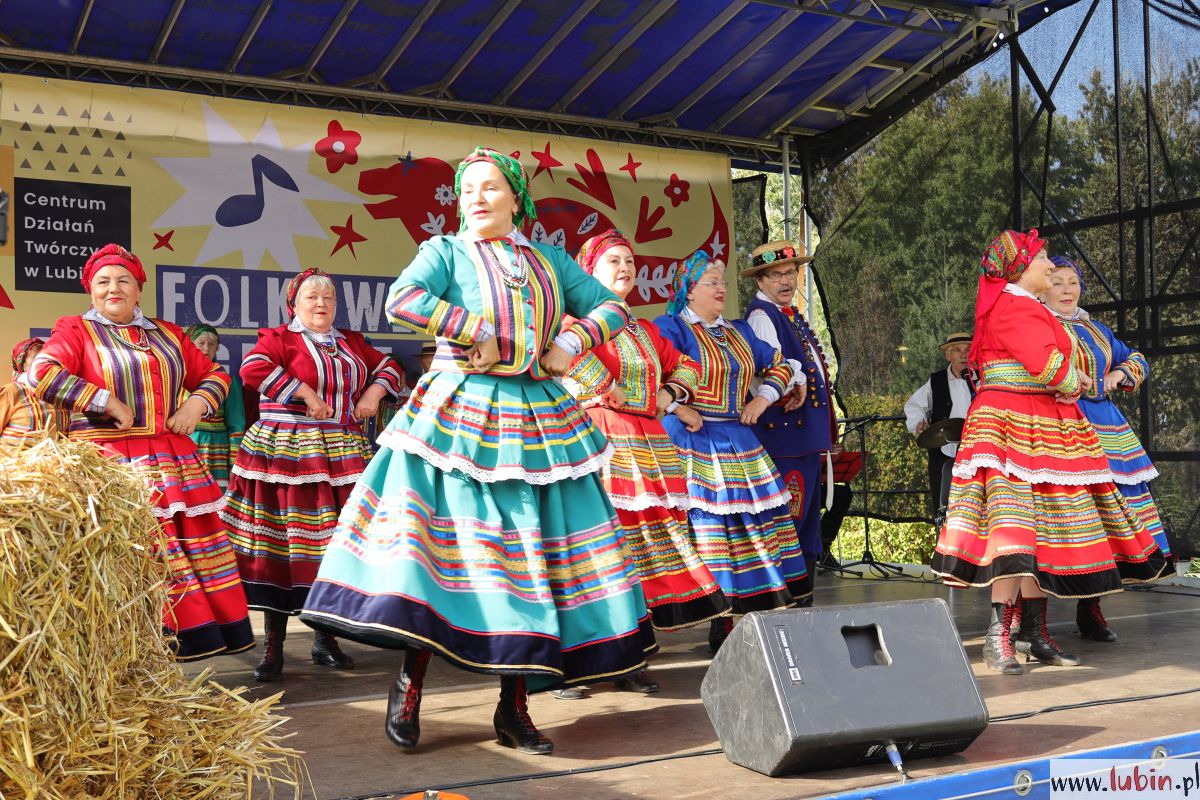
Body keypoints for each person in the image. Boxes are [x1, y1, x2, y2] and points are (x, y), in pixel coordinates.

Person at [300, 147, 656, 756]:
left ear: (516, 197)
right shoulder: (445, 252)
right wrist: (474, 331)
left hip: (538, 418)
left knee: (530, 558)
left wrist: (570, 343)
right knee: (443, 551)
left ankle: (512, 706)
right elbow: (404, 300)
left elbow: (612, 306)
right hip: (459, 417)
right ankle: (411, 682)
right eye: (468, 188)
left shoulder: (549, 260)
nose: (476, 197)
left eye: (490, 187)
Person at [931, 230, 1168, 675]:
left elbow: (1076, 366)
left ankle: (1035, 634)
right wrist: (1076, 382)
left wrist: (1085, 381)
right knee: (1013, 533)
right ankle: (999, 635)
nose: (1048, 266)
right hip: (1011, 426)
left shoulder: (1036, 309)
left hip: (1045, 424)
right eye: (1040, 258)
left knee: (1043, 533)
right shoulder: (1012, 306)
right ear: (1021, 268)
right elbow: (1053, 368)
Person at [29, 243, 253, 660]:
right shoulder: (76, 329)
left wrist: (195, 404)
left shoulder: (167, 333)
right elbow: (41, 372)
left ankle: (184, 647)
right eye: (103, 282)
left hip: (170, 461)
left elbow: (217, 375)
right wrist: (105, 402)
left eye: (123, 281)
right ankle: (125, 651)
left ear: (138, 289)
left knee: (185, 554)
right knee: (134, 555)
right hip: (107, 462)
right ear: (90, 290)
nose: (113, 289)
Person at [560, 229, 730, 696]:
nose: (625, 268)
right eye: (613, 260)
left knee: (635, 553)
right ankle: (571, 662)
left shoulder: (644, 328)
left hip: (646, 449)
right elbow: (566, 362)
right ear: (588, 272)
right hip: (595, 441)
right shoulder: (574, 320)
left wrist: (671, 394)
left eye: (629, 261)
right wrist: (608, 389)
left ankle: (627, 658)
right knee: (591, 550)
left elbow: (689, 365)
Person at [221, 267, 404, 682]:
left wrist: (374, 391)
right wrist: (305, 394)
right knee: (281, 544)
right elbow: (253, 369)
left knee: (333, 548)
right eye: (311, 297)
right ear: (294, 304)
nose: (321, 304)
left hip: (341, 455)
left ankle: (326, 638)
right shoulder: (278, 338)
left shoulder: (352, 342)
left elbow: (390, 367)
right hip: (287, 454)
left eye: (328, 298)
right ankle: (273, 645)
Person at [653, 250, 807, 653]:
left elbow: (783, 364)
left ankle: (732, 618)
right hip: (689, 438)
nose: (721, 288)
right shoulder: (671, 328)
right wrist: (675, 405)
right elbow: (646, 374)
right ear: (689, 288)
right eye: (712, 282)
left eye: (723, 282)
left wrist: (763, 399)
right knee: (699, 528)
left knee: (744, 530)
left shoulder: (739, 332)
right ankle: (704, 610)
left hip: (737, 440)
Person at [1043, 256, 1172, 642]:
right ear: (1043, 288)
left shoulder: (1096, 330)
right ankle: (1032, 619)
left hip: (1106, 431)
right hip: (1060, 425)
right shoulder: (1037, 324)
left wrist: (1119, 373)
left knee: (1109, 519)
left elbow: (1137, 358)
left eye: (1073, 283)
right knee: (1058, 517)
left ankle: (1091, 608)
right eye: (1058, 282)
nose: (1067, 290)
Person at [743, 240, 835, 604]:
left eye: (790, 272)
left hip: (804, 442)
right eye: (776, 274)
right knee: (787, 524)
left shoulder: (787, 315)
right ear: (760, 281)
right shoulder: (762, 317)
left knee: (807, 528)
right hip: (784, 441)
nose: (785, 280)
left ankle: (802, 603)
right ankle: (778, 607)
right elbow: (768, 370)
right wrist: (793, 381)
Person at [904, 332, 974, 514]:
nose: (963, 355)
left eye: (967, 349)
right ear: (948, 355)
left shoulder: (980, 378)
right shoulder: (937, 381)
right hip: (944, 450)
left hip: (977, 450)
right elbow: (914, 405)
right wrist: (919, 422)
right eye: (957, 350)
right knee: (944, 504)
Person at [185, 324, 246, 489]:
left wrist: (234, 462)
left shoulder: (228, 381)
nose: (206, 348)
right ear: (190, 346)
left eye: (211, 344)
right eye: (201, 343)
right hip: (185, 448)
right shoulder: (178, 378)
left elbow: (236, 425)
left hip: (216, 451)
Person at [0, 337, 59, 443]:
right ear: (22, 366)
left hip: (51, 458)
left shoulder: (60, 397)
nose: (44, 363)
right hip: (16, 458)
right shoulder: (12, 392)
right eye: (36, 359)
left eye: (48, 359)